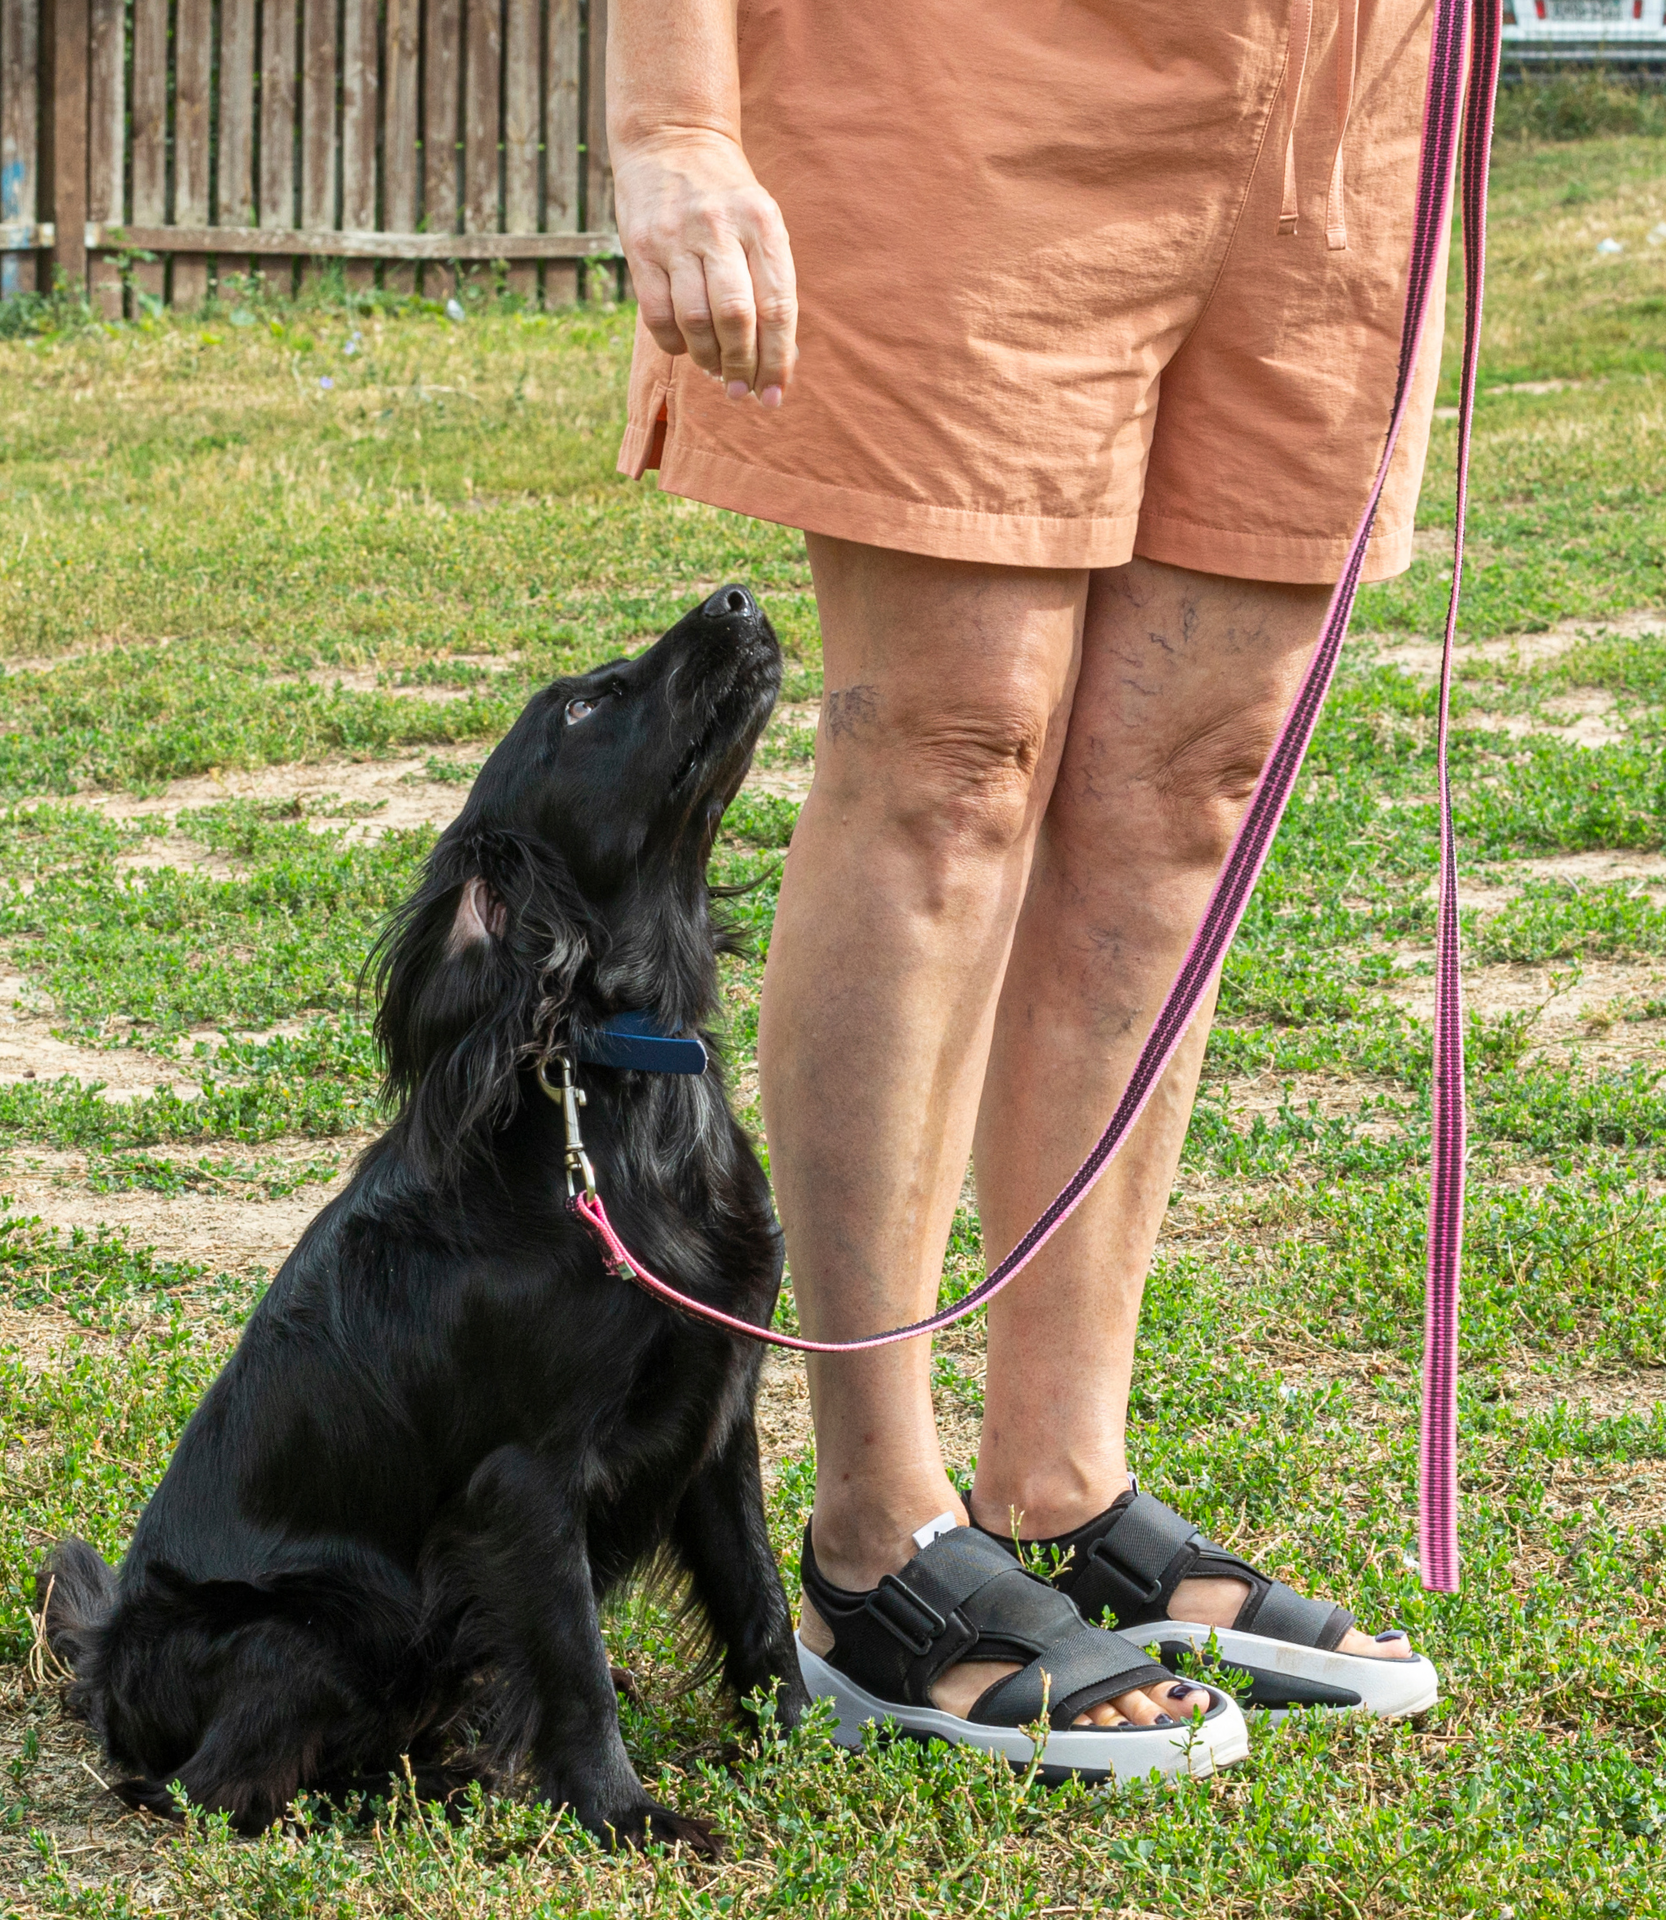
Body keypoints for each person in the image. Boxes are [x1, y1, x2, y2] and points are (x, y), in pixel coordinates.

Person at [607, 0, 1444, 1772]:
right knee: (952, 757)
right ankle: (875, 1536)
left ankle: (1061, 1481)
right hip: (966, 66)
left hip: (1344, 88)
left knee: (1188, 794)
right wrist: (677, 120)